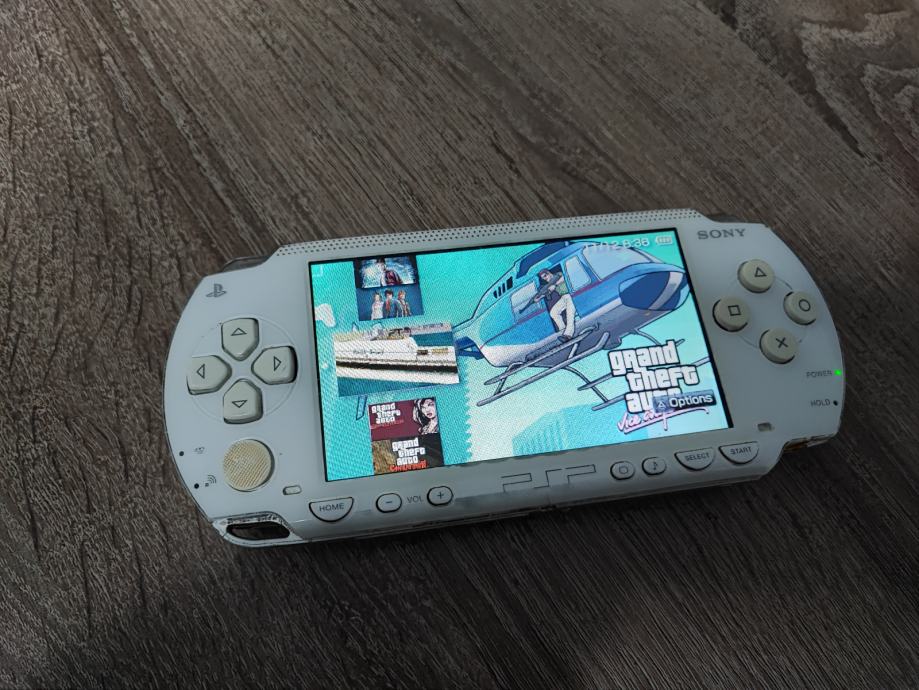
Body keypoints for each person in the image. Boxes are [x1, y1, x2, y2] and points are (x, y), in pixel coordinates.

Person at [533, 268, 576, 342]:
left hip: (570, 294)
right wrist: (539, 298)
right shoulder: (550, 284)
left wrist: (555, 285)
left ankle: (568, 335)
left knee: (570, 313)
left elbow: (565, 276)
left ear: (549, 273)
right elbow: (547, 292)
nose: (545, 279)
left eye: (545, 276)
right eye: (543, 278)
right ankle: (563, 330)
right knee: (553, 313)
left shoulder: (558, 274)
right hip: (563, 297)